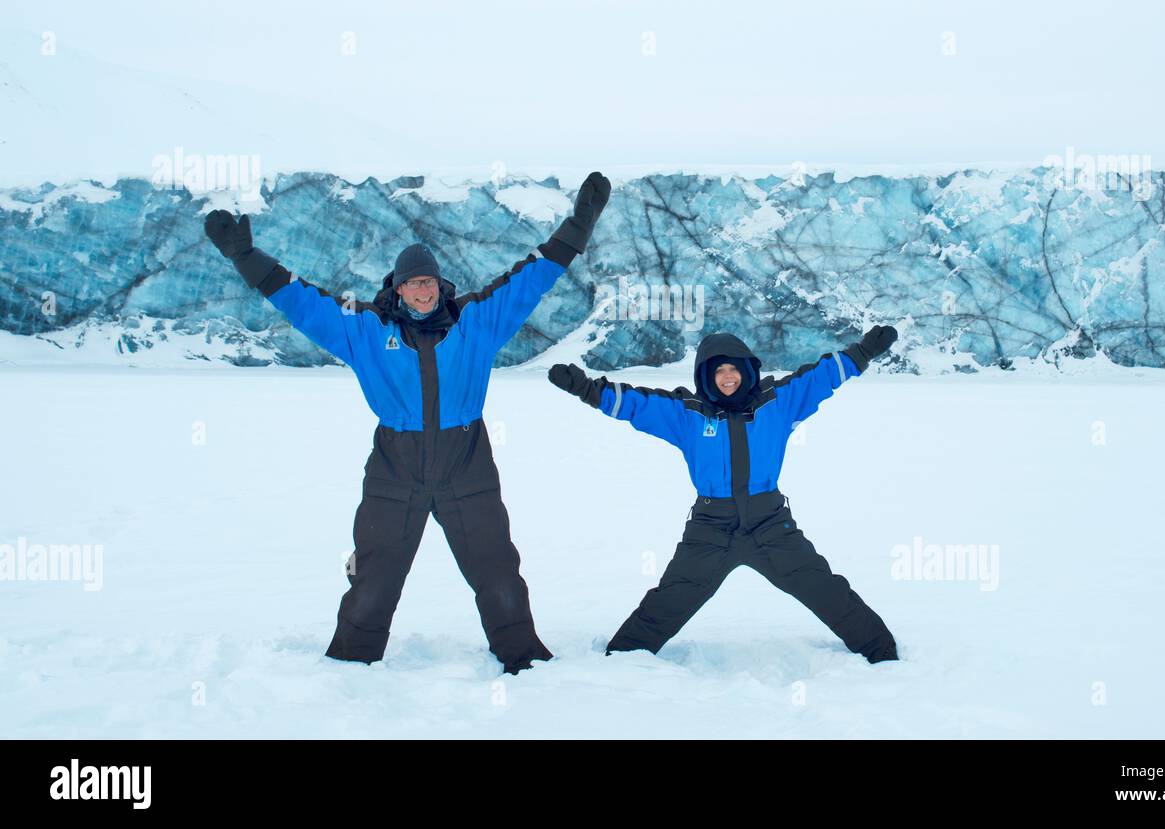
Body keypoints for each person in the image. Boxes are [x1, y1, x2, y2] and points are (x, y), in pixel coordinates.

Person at [203, 172, 611, 674]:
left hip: (466, 460)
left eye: (430, 281)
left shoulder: (474, 321)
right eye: (414, 282)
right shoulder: (366, 330)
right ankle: (351, 663)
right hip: (396, 462)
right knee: (377, 570)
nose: (423, 289)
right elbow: (302, 301)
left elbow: (530, 278)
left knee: (496, 566)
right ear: (397, 288)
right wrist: (245, 257)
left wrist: (579, 225)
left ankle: (524, 661)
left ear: (441, 286)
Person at [547, 326, 900, 663]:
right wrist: (585, 389)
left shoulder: (777, 402)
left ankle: (883, 654)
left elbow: (821, 377)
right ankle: (621, 660)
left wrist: (864, 351)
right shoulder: (689, 414)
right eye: (718, 371)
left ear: (747, 370)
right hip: (710, 529)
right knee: (672, 598)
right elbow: (638, 405)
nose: (727, 376)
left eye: (733, 368)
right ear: (705, 377)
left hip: (770, 524)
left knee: (821, 587)